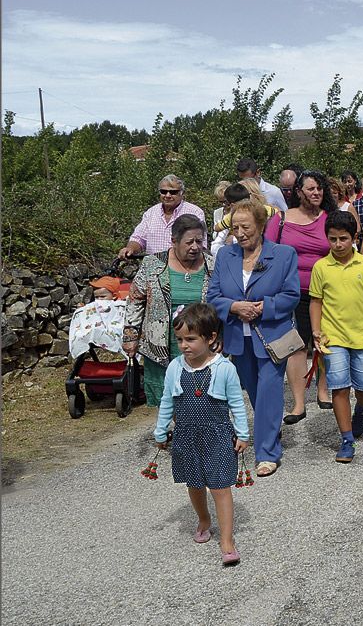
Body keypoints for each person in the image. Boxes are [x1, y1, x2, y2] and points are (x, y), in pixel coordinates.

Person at [206, 200, 300, 478]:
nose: (240, 233)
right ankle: (269, 429)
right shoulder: (225, 256)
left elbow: (291, 295)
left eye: (246, 227)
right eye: (235, 228)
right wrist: (234, 308)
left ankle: (267, 453)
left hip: (272, 336)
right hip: (238, 338)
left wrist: (263, 307)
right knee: (256, 394)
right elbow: (213, 296)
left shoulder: (283, 255)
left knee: (270, 391)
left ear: (261, 226)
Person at [152, 303, 249, 567]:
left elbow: (236, 404)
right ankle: (204, 519)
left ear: (211, 338)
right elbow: (167, 401)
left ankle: (227, 540)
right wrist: (161, 430)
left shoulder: (225, 368)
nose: (184, 345)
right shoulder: (175, 368)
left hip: (217, 435)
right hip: (185, 436)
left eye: (191, 339)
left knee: (220, 487)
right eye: (180, 339)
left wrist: (242, 433)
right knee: (194, 484)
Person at [308, 211, 363, 463]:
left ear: (354, 237)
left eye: (343, 239)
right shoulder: (321, 267)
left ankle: (362, 408)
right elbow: (316, 302)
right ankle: (346, 439)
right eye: (332, 239)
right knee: (339, 386)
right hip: (332, 338)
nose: (337, 244)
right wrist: (316, 330)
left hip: (362, 337)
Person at [123, 215, 214, 407]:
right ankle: (178, 431)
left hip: (202, 345)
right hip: (160, 345)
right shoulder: (152, 264)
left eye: (199, 241)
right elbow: (135, 301)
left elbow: (221, 303)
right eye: (189, 242)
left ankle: (191, 433)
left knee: (201, 398)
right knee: (167, 400)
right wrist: (130, 337)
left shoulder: (212, 264)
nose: (196, 247)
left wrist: (220, 335)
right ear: (174, 241)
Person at [267, 170, 335, 422]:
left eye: (319, 188)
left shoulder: (329, 218)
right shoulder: (281, 218)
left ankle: (323, 391)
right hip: (290, 293)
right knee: (295, 347)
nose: (316, 193)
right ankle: (298, 403)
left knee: (325, 341)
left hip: (325, 292)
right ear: (298, 192)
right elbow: (267, 253)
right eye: (310, 189)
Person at [118, 175, 206, 259]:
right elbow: (138, 238)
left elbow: (201, 243)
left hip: (183, 267)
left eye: (173, 192)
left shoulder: (195, 212)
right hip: (153, 267)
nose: (167, 195)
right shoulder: (151, 213)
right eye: (164, 192)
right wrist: (130, 249)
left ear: (182, 193)